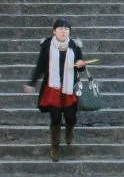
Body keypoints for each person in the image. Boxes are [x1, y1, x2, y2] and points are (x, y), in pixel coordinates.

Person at [22, 18, 87, 162]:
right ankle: (55, 147)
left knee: (71, 117)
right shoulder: (47, 46)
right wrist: (32, 83)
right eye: (61, 28)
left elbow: (80, 67)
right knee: (55, 119)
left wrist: (81, 65)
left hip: (70, 88)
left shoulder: (75, 46)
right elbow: (40, 67)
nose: (64, 31)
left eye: (66, 29)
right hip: (53, 88)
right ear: (54, 31)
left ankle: (69, 130)